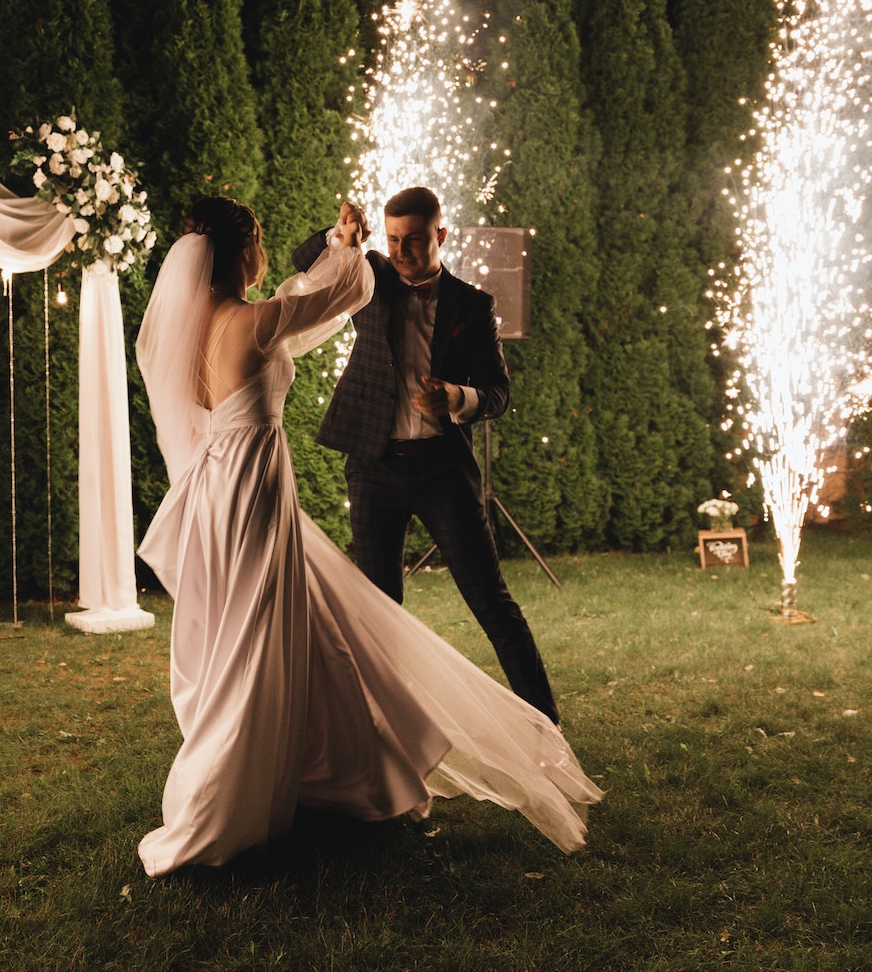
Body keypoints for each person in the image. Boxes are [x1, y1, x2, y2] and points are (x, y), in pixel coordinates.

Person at [133, 194, 599, 876]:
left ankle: (345, 767)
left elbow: (302, 296)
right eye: (257, 240)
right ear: (240, 255)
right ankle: (241, 785)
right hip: (256, 493)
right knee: (263, 636)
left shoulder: (190, 323)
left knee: (293, 629)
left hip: (216, 492)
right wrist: (348, 247)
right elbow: (343, 288)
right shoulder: (257, 322)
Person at [291, 186, 558, 722]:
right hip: (373, 465)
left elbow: (499, 393)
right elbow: (304, 262)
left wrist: (457, 397)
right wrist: (338, 234)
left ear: (440, 235)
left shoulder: (472, 305)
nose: (401, 252)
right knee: (377, 611)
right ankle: (386, 741)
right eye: (392, 240)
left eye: (413, 240)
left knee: (492, 602)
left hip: (442, 469)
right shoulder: (369, 277)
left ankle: (547, 726)